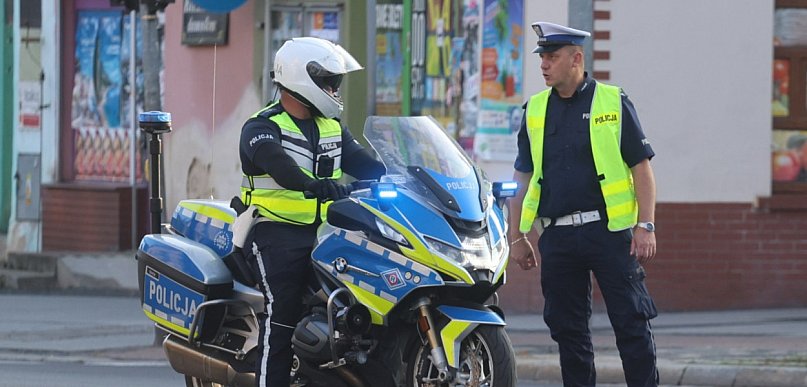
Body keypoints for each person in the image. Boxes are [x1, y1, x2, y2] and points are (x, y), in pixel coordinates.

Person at [508, 22, 659, 387]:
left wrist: (646, 225)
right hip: (557, 236)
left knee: (631, 324)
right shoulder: (534, 110)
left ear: (576, 59)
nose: (544, 64)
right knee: (568, 331)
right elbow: (522, 178)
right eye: (542, 57)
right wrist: (517, 236)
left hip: (608, 232)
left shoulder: (612, 101)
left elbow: (641, 167)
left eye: (552, 57)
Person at [239, 37, 385, 387]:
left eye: (336, 81)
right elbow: (281, 166)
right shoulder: (262, 127)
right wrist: (313, 184)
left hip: (327, 233)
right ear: (302, 79)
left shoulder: (332, 127)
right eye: (328, 81)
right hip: (274, 232)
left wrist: (403, 173)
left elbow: (365, 164)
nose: (334, 88)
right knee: (283, 311)